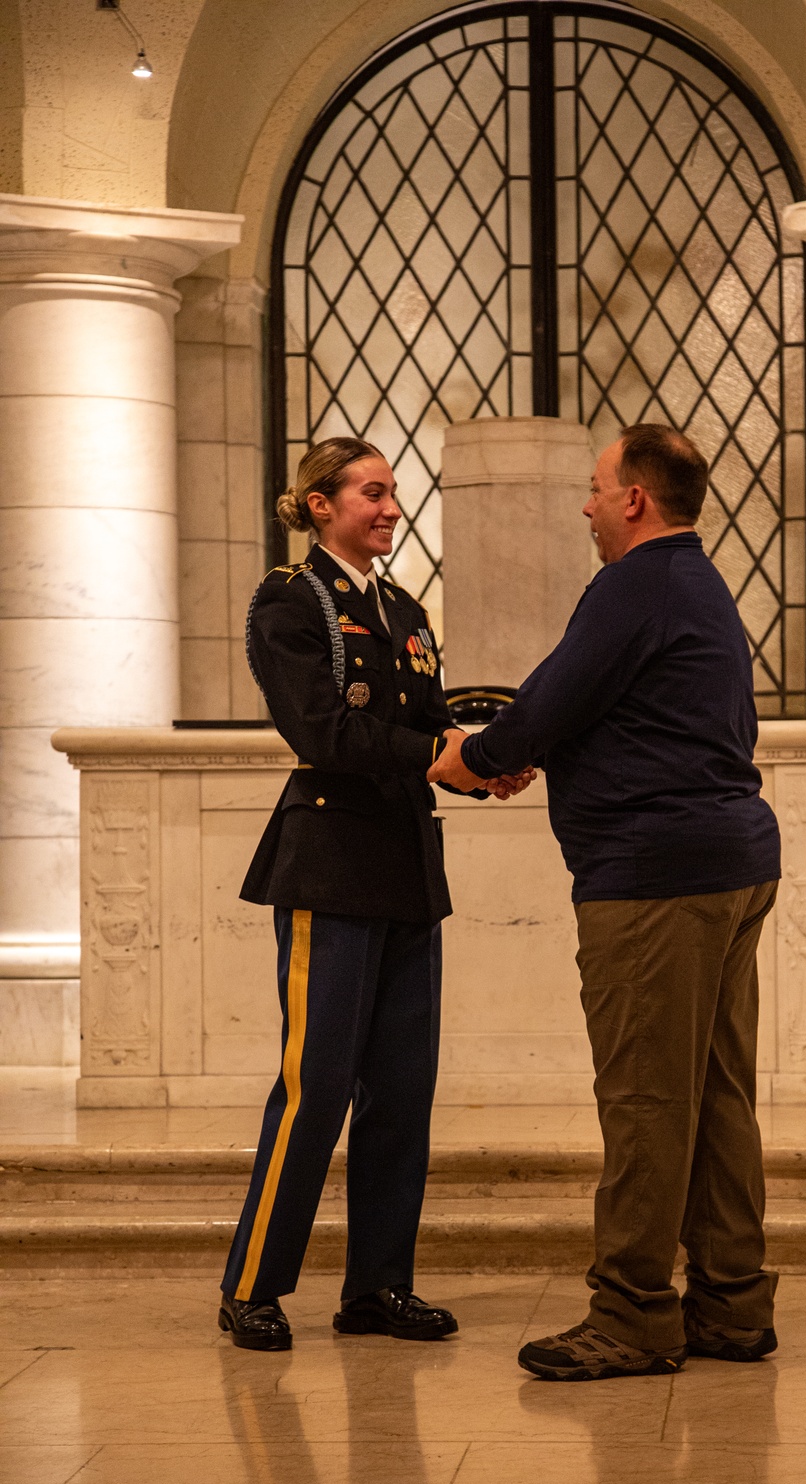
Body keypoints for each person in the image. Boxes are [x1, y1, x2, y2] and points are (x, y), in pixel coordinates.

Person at [428, 423, 781, 1381]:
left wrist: (480, 757)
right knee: (715, 1096)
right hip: (732, 864)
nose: (585, 506)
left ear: (634, 499)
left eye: (595, 489)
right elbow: (615, 706)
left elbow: (556, 696)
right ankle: (733, 1305)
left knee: (646, 1103)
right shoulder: (700, 585)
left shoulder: (635, 581)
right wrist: (533, 743)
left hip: (657, 877)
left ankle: (632, 1315)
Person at [219, 436, 531, 1352]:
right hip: (331, 861)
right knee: (315, 1087)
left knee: (402, 1089)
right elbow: (321, 730)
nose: (391, 508)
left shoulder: (401, 607)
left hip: (405, 868)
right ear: (320, 504)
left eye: (393, 494)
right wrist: (436, 758)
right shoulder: (291, 600)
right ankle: (253, 1287)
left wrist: (483, 763)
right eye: (373, 493)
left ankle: (378, 1287)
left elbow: (430, 723)